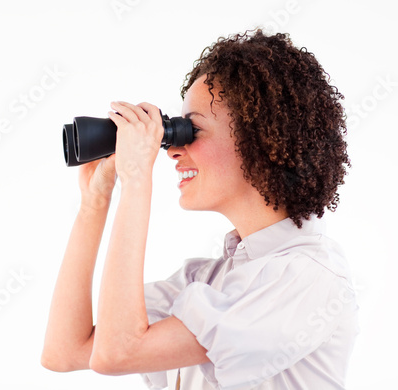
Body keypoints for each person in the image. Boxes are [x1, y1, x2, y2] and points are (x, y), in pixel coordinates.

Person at [41, 29, 359, 389]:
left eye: (192, 130)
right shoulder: (207, 281)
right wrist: (94, 202)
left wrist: (137, 180)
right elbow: (65, 351)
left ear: (259, 140)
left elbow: (118, 353)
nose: (173, 151)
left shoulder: (307, 277)